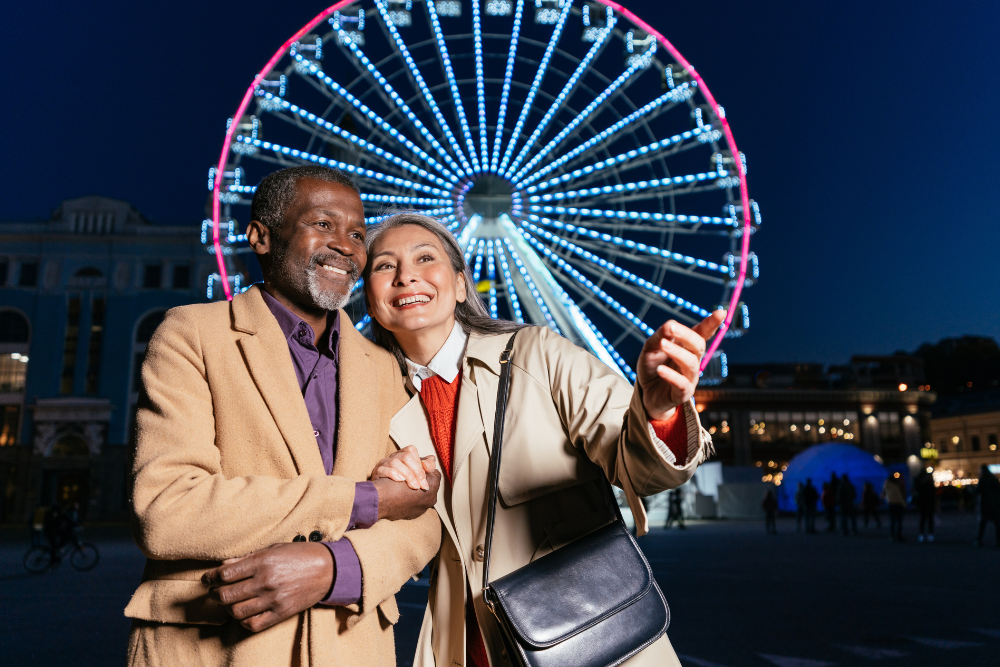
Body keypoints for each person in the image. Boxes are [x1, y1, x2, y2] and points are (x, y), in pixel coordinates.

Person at [361, 213, 721, 667]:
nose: (406, 274)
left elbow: (636, 467)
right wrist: (382, 493)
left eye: (424, 257)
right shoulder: (373, 406)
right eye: (383, 266)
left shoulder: (538, 353)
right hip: (469, 644)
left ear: (458, 284)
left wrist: (658, 411)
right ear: (370, 300)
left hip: (589, 638)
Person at [125, 166, 442, 666]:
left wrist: (338, 567)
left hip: (350, 648)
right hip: (214, 648)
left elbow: (423, 513)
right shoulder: (192, 336)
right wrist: (367, 499)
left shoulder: (385, 368)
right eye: (323, 224)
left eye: (358, 233)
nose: (346, 245)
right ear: (261, 237)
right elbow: (167, 508)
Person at [974, 464, 1000, 547]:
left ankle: (979, 540)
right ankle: (998, 540)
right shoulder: (994, 479)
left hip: (985, 504)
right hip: (995, 503)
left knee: (983, 523)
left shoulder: (983, 479)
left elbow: (978, 491)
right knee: (997, 523)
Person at [914, 469, 936, 542]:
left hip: (923, 502)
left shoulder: (918, 481)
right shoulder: (929, 481)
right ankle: (930, 534)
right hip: (929, 502)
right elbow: (933, 491)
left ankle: (921, 534)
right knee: (929, 519)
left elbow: (917, 490)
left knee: (923, 519)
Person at [883, 474, 907, 542]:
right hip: (897, 504)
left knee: (892, 521)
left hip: (890, 504)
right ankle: (899, 536)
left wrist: (887, 499)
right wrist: (904, 504)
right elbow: (899, 496)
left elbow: (883, 494)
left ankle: (892, 536)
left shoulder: (886, 484)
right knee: (899, 521)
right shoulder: (895, 485)